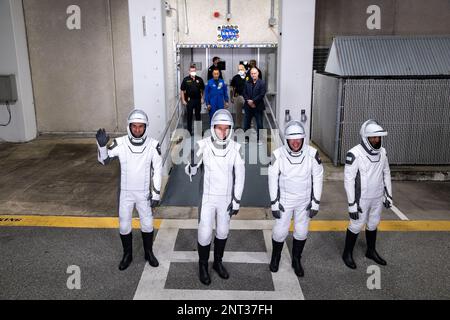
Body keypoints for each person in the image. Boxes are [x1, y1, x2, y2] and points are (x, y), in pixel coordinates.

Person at [184, 109, 245, 285]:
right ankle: (203, 266)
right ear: (213, 128)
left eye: (226, 128)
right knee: (204, 234)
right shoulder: (202, 145)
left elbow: (240, 176)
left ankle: (217, 262)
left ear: (231, 129)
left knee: (223, 231)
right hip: (208, 199)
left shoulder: (236, 148)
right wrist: (193, 164)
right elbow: (190, 170)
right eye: (219, 128)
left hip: (226, 199)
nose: (223, 132)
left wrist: (236, 200)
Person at [96, 109, 162, 271]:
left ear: (146, 127)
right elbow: (104, 161)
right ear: (129, 127)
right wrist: (102, 146)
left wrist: (156, 193)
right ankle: (127, 255)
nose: (137, 130)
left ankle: (148, 253)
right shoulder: (120, 143)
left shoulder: (153, 145)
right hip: (125, 193)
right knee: (124, 226)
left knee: (147, 224)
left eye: (141, 126)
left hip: (144, 194)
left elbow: (158, 170)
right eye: (134, 126)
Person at [268, 120, 323, 277]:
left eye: (298, 138)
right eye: (292, 138)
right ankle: (275, 257)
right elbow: (272, 180)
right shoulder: (277, 155)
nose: (296, 142)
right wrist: (274, 203)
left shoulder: (312, 154)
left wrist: (315, 202)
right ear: (286, 139)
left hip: (304, 202)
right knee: (279, 232)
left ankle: (296, 259)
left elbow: (318, 177)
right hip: (284, 202)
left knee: (301, 232)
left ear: (303, 138)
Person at [342, 119, 392, 269]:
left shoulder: (382, 152)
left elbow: (386, 173)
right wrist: (351, 204)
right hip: (361, 199)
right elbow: (348, 180)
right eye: (373, 137)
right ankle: (347, 253)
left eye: (378, 137)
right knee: (356, 225)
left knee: (373, 223)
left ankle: (371, 251)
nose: (376, 140)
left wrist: (388, 194)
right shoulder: (354, 153)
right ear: (366, 138)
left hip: (377, 196)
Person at [243, 67, 266, 144]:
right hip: (248, 107)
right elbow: (244, 93)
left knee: (259, 124)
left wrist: (253, 101)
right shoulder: (247, 82)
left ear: (258, 73)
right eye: (252, 73)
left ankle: (260, 139)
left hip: (258, 106)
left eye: (255, 73)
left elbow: (261, 94)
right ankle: (246, 138)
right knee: (246, 123)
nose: (253, 75)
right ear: (250, 74)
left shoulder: (262, 83)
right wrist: (249, 101)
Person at [181, 64, 205, 135]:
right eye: (191, 71)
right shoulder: (186, 80)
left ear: (196, 71)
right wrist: (183, 100)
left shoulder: (199, 79)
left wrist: (202, 98)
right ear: (189, 71)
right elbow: (182, 90)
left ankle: (199, 131)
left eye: (194, 71)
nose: (193, 72)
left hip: (197, 100)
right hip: (189, 100)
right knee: (189, 116)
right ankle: (189, 131)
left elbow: (202, 90)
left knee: (198, 116)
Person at [230, 63, 247, 129]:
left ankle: (249, 127)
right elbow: (232, 88)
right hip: (238, 97)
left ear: (244, 69)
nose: (240, 70)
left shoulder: (248, 77)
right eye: (239, 69)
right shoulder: (235, 78)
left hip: (247, 97)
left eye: (241, 69)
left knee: (248, 113)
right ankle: (238, 126)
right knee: (238, 113)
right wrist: (232, 97)